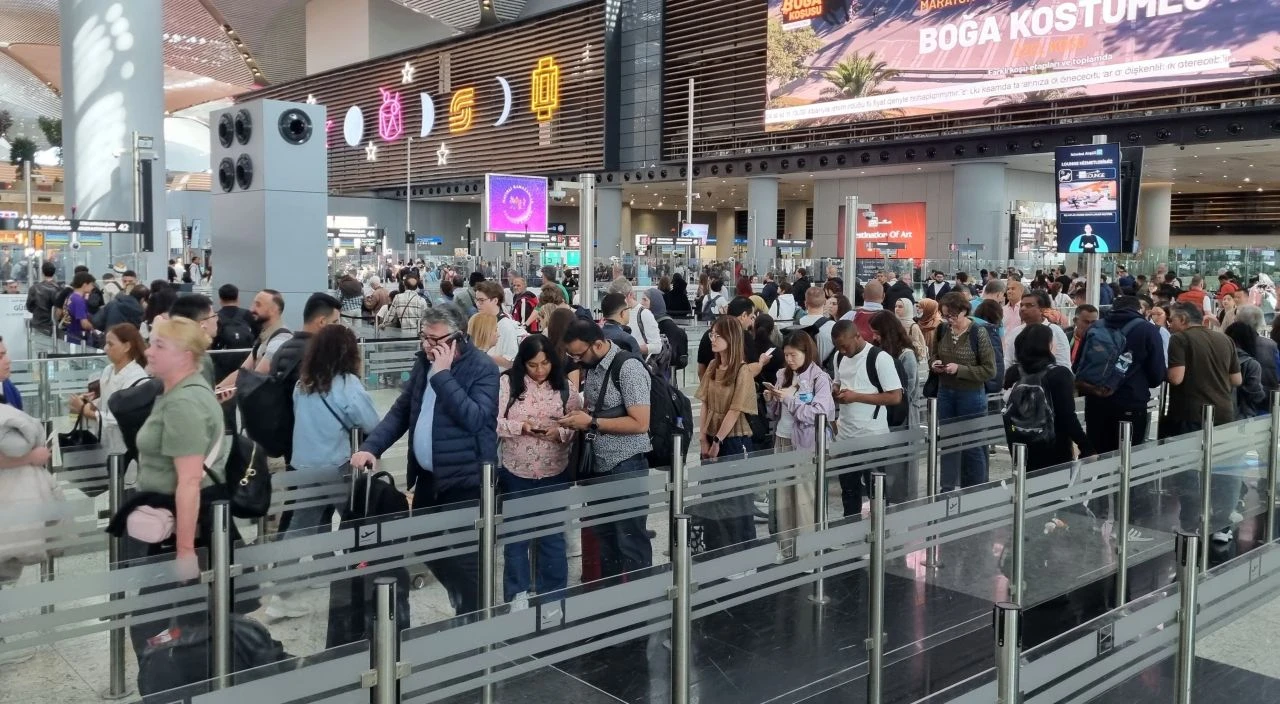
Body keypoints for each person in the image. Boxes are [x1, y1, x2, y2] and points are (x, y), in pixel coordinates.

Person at [351, 305, 498, 615]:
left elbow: (475, 419)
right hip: (429, 480)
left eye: (435, 339)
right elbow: (402, 411)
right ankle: (463, 603)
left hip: (465, 480)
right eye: (424, 338)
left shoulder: (482, 368)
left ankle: (475, 620)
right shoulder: (423, 365)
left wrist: (444, 376)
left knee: (466, 560)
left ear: (457, 338)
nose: (427, 345)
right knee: (425, 541)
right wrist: (371, 447)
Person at [265, 324, 381, 621]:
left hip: (302, 464)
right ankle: (365, 578)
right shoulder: (347, 385)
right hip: (335, 466)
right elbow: (370, 421)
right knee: (358, 520)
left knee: (300, 528)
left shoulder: (303, 384)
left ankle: (292, 584)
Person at [126, 317, 228, 649]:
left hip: (176, 529)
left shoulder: (184, 403)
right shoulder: (177, 392)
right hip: (167, 524)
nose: (149, 351)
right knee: (157, 626)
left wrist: (184, 552)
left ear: (184, 356)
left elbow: (189, 481)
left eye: (159, 346)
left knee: (152, 629)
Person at [556, 319, 653, 577]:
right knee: (606, 542)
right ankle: (611, 604)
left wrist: (593, 422)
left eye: (579, 354)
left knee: (631, 541)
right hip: (599, 466)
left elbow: (641, 422)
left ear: (597, 344)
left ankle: (640, 605)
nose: (576, 361)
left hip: (626, 464)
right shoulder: (595, 366)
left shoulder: (628, 368)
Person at [496, 335, 581, 607]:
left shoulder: (565, 387)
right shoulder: (508, 383)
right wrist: (520, 427)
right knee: (517, 537)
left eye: (545, 363)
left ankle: (553, 595)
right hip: (516, 471)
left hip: (554, 471)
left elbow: (576, 424)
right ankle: (517, 593)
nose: (540, 370)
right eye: (533, 365)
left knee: (552, 537)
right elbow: (493, 421)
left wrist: (561, 432)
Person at [1163, 302, 1242, 538]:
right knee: (1221, 469)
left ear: (1184, 320)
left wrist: (1163, 372)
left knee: (1188, 471)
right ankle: (1220, 525)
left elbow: (1176, 378)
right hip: (1224, 413)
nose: (1170, 324)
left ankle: (1189, 524)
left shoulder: (1180, 340)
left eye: (1173, 320)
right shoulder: (1224, 339)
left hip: (1191, 414)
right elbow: (1236, 379)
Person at [765, 331, 835, 537]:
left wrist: (789, 400)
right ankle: (787, 548)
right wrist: (772, 399)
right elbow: (774, 414)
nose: (789, 359)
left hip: (807, 443)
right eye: (786, 355)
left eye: (793, 355)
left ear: (807, 353)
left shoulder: (820, 378)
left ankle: (808, 551)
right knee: (783, 497)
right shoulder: (782, 374)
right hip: (782, 437)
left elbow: (818, 413)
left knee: (805, 497)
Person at [831, 320, 903, 516]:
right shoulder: (839, 357)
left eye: (845, 346)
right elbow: (838, 381)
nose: (843, 351)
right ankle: (850, 529)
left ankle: (880, 530)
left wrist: (856, 397)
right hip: (846, 434)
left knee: (876, 489)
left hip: (873, 435)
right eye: (838, 347)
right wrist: (836, 391)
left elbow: (895, 396)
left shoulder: (879, 358)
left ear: (858, 336)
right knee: (848, 490)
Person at [1003, 324, 1094, 471]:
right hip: (1053, 445)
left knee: (1026, 488)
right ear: (1048, 345)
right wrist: (1086, 446)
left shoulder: (1014, 372)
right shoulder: (1059, 374)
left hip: (1019, 442)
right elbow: (1067, 417)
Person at [931, 292, 997, 491]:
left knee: (972, 444)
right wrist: (934, 363)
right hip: (946, 391)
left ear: (964, 311)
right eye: (945, 315)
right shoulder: (942, 329)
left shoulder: (978, 332)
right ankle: (947, 487)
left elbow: (989, 370)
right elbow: (934, 353)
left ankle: (975, 488)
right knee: (949, 443)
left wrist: (960, 369)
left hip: (971, 394)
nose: (949, 320)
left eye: (953, 316)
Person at [68, 324, 149, 458]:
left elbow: (126, 416)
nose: (106, 348)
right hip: (104, 441)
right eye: (106, 344)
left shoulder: (138, 379)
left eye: (110, 344)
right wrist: (90, 403)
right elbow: (107, 401)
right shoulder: (108, 370)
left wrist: (91, 413)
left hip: (126, 447)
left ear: (127, 346)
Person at [1004, 291, 1071, 368]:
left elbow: (1064, 364)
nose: (1022, 308)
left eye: (1029, 305)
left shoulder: (1055, 331)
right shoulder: (1015, 332)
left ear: (1042, 310)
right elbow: (1008, 361)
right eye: (1021, 305)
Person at [1224, 322, 1268, 419]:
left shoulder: (1220, 358)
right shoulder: (1251, 364)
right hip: (1242, 415)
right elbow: (1255, 393)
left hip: (1218, 413)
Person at [475, 281, 519, 368]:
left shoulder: (506, 326)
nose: (477, 304)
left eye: (481, 300)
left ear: (495, 300)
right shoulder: (479, 320)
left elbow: (511, 362)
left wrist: (482, 355)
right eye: (476, 300)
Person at [1236, 305, 1278, 391]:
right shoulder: (1271, 345)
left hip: (1239, 394)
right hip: (1267, 394)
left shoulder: (1232, 343)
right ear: (1260, 322)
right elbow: (1277, 373)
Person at [64, 271, 96, 347]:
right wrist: (95, 328)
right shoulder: (78, 301)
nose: (93, 287)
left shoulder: (70, 297)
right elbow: (84, 324)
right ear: (85, 285)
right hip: (80, 338)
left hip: (70, 335)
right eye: (91, 284)